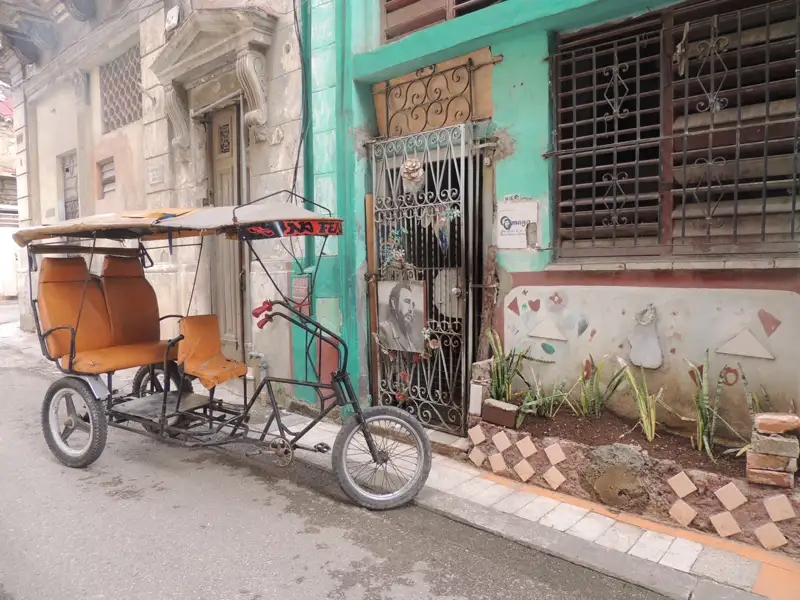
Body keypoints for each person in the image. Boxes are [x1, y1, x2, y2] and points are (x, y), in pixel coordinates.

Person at [379, 281, 419, 352]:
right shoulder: (383, 330)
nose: (411, 309)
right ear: (394, 303)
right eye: (407, 301)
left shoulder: (411, 345)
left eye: (412, 305)